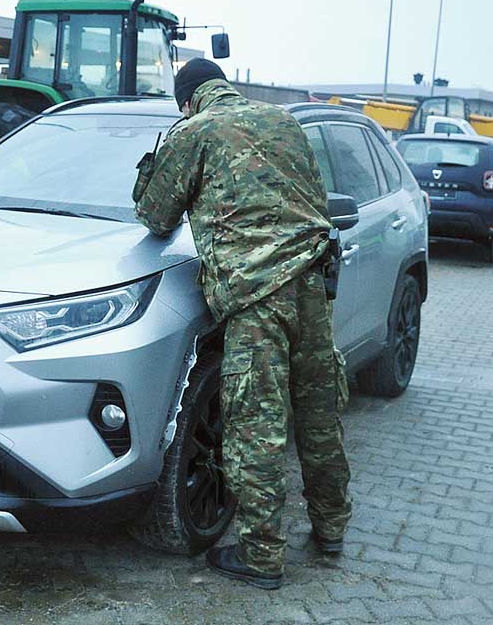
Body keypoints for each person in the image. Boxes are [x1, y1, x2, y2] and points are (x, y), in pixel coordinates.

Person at [132, 58, 352, 590]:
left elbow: (155, 216)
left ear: (187, 101)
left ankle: (262, 556)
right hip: (312, 287)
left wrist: (155, 166)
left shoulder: (194, 131)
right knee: (319, 415)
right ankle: (331, 528)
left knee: (256, 425)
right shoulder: (285, 121)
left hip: (257, 298)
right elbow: (314, 201)